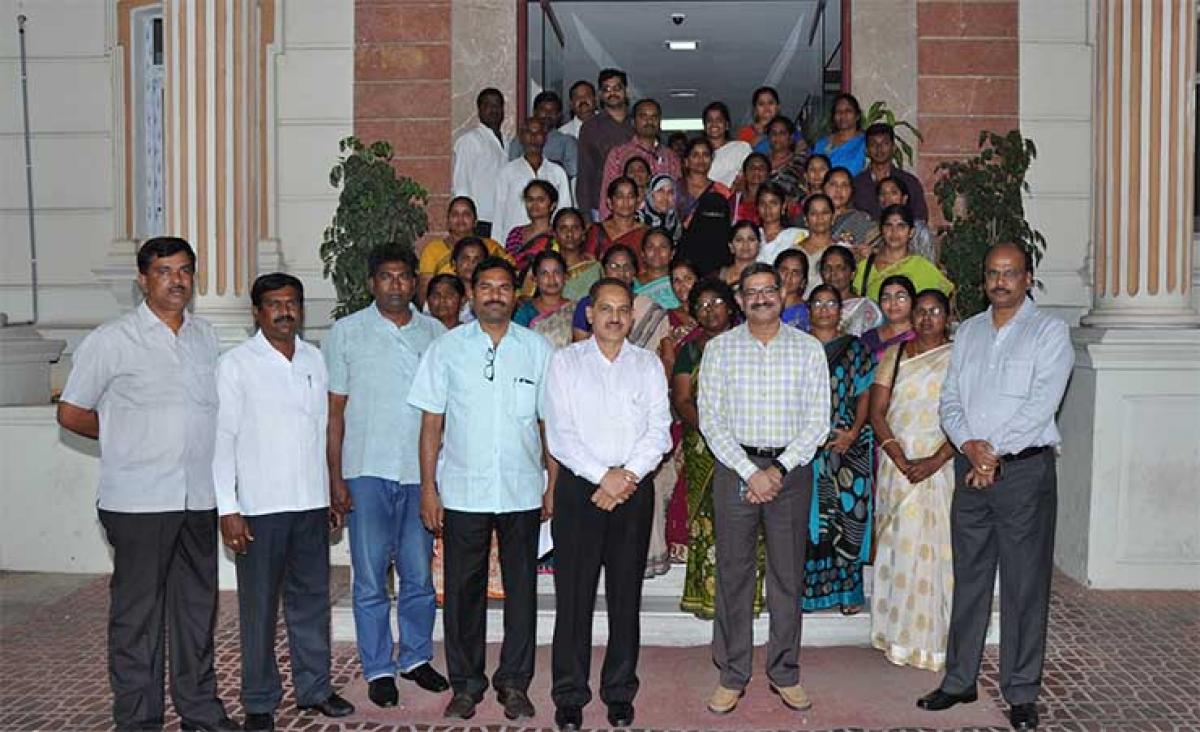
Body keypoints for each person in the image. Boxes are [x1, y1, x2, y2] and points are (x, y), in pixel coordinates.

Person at [57, 237, 237, 732]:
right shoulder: (111, 340)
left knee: (196, 614)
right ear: (143, 280)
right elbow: (72, 412)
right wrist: (122, 436)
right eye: (163, 271)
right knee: (137, 619)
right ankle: (138, 719)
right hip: (138, 502)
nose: (176, 280)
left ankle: (201, 711)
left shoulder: (204, 338)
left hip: (197, 498)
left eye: (184, 271)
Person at [918, 243, 1074, 732]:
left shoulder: (1049, 332)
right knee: (969, 578)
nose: (1000, 282)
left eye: (1010, 274)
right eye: (992, 274)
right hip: (971, 472)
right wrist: (970, 446)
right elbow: (949, 402)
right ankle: (960, 678)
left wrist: (992, 453)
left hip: (1023, 475)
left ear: (1028, 278)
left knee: (1025, 586)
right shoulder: (968, 332)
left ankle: (1022, 691)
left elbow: (1041, 404)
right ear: (983, 280)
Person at [408, 257, 556, 722]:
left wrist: (551, 483)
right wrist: (428, 489)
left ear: (517, 294)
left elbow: (549, 423)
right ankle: (466, 684)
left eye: (504, 287)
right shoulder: (447, 348)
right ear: (472, 294)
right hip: (463, 490)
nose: (495, 294)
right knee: (462, 592)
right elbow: (431, 423)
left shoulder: (537, 349)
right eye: (486, 287)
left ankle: (514, 683)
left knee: (521, 592)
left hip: (522, 490)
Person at [214, 274, 355, 729]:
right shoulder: (236, 364)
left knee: (311, 603)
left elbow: (323, 433)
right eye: (274, 304)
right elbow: (223, 439)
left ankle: (314, 689)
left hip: (310, 505)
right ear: (257, 312)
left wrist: (333, 487)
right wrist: (227, 508)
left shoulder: (314, 359)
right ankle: (258, 701)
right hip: (258, 508)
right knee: (258, 609)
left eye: (292, 303)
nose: (284, 311)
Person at [698, 263, 830, 715]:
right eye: (750, 292)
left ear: (784, 292)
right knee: (734, 576)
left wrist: (776, 469)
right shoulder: (719, 350)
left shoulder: (809, 350)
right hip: (735, 469)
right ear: (739, 300)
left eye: (768, 290)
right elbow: (710, 420)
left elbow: (818, 422)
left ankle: (785, 672)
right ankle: (732, 674)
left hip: (790, 471)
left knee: (787, 578)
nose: (760, 298)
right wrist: (748, 471)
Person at [544, 277, 673, 732]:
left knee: (625, 598)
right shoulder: (565, 363)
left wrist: (627, 476)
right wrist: (604, 477)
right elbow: (559, 433)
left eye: (622, 309)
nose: (614, 317)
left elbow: (660, 430)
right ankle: (569, 695)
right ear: (590, 314)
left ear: (632, 317)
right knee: (573, 599)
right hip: (581, 491)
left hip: (633, 489)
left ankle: (619, 693)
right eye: (605, 308)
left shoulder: (648, 365)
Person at [323, 247, 449, 708]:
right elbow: (334, 413)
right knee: (371, 577)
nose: (395, 284)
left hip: (420, 473)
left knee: (418, 575)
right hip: (365, 470)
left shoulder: (435, 333)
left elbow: (442, 413)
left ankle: (415, 658)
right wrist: (335, 479)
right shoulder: (346, 333)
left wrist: (438, 480)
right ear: (371, 283)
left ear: (414, 282)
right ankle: (378, 667)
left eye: (402, 277)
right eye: (385, 277)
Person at [869, 288, 955, 671]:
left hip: (941, 464)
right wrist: (899, 455)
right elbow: (877, 412)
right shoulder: (895, 354)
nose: (926, 318)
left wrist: (935, 460)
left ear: (948, 316)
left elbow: (969, 414)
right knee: (900, 545)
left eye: (935, 311)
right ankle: (896, 637)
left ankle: (931, 641)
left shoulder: (958, 358)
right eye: (920, 311)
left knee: (935, 550)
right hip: (897, 465)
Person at [674, 278, 763, 619]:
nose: (710, 310)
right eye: (702, 305)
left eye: (716, 303)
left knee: (748, 520)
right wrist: (714, 433)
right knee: (707, 521)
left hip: (748, 444)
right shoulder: (691, 350)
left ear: (732, 306)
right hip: (703, 445)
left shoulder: (750, 344)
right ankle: (706, 597)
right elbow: (682, 399)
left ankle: (747, 598)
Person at [800, 284, 875, 616]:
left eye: (832, 303)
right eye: (818, 303)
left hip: (848, 443)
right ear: (809, 309)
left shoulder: (855, 348)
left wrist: (854, 432)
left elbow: (864, 393)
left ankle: (848, 592)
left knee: (849, 514)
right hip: (804, 447)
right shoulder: (796, 347)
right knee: (812, 520)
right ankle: (812, 594)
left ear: (841, 310)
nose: (825, 309)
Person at [492, 117, 572, 252]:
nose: (533, 137)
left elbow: (564, 212)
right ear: (521, 137)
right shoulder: (507, 172)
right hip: (515, 245)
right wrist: (496, 250)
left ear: (545, 137)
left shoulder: (557, 172)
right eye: (529, 132)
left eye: (538, 132)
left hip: (550, 246)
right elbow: (499, 215)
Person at [417, 196, 510, 306]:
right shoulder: (433, 250)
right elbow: (425, 292)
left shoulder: (492, 248)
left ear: (475, 221)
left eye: (466, 214)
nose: (460, 219)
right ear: (448, 221)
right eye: (455, 215)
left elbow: (511, 278)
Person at [598, 98, 681, 219]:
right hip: (627, 226)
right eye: (643, 116)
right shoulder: (618, 155)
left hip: (663, 229)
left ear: (659, 122)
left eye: (654, 116)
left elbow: (677, 197)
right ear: (633, 122)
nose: (649, 120)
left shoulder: (671, 157)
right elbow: (608, 194)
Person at [853, 204, 953, 302]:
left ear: (911, 232)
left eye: (901, 226)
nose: (894, 232)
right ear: (881, 230)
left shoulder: (921, 267)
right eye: (888, 226)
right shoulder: (865, 266)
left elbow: (945, 298)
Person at [452, 88, 509, 236]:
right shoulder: (469, 141)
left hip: (503, 220)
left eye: (497, 105)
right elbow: (461, 184)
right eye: (488, 105)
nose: (494, 110)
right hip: (480, 221)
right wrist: (465, 221)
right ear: (479, 110)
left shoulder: (508, 143)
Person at [578, 69, 633, 217]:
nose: (612, 93)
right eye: (607, 89)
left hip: (638, 203)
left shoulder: (637, 122)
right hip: (601, 205)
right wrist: (585, 214)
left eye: (617, 88)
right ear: (600, 95)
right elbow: (584, 172)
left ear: (626, 91)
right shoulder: (590, 127)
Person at [676, 138, 734, 278]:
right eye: (695, 155)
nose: (700, 159)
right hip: (678, 256)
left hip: (712, 260)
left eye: (705, 154)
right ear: (686, 161)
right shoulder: (674, 188)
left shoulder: (722, 191)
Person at [852, 122, 927, 221]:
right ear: (866, 150)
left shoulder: (909, 182)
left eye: (885, 143)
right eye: (873, 144)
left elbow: (920, 218)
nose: (879, 148)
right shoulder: (856, 184)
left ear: (894, 148)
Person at [513, 249, 576, 348]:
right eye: (544, 273)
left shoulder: (576, 310)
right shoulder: (526, 312)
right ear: (535, 279)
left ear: (565, 277)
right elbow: (516, 345)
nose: (551, 278)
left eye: (557, 272)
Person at [508, 90, 579, 178]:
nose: (547, 115)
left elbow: (573, 171)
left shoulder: (567, 142)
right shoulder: (521, 140)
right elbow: (512, 170)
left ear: (559, 115)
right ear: (535, 112)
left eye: (553, 111)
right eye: (543, 110)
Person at [819, 245, 882, 336]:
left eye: (840, 268)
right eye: (827, 268)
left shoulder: (866, 307)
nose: (833, 273)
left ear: (852, 274)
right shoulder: (813, 306)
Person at [504, 179, 558, 281]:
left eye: (541, 200)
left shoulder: (557, 236)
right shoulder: (515, 233)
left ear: (552, 206)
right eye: (530, 200)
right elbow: (507, 266)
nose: (534, 204)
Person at [585, 176, 648, 258]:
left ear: (637, 202)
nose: (626, 201)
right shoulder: (597, 231)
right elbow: (588, 265)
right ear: (610, 202)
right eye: (620, 196)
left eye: (631, 196)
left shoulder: (645, 233)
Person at [877, 175, 936, 261]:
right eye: (882, 194)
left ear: (904, 199)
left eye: (893, 193)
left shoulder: (919, 230)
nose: (887, 198)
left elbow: (928, 264)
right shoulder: (874, 228)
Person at [861, 274, 917, 360]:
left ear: (913, 301)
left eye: (900, 298)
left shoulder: (919, 338)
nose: (893, 303)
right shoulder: (869, 337)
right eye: (886, 298)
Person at [825, 166, 879, 256]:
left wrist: (871, 251)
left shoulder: (860, 219)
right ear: (824, 188)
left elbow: (883, 247)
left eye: (844, 185)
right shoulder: (812, 217)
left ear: (851, 191)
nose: (839, 190)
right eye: (833, 184)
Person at [552, 207, 603, 301]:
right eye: (563, 228)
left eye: (575, 228)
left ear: (583, 234)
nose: (570, 233)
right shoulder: (545, 268)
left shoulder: (595, 269)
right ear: (555, 235)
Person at [813, 93, 866, 175]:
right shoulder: (822, 144)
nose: (842, 115)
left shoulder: (865, 142)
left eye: (848, 111)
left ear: (857, 116)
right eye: (838, 111)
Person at [754, 181, 806, 266]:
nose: (768, 208)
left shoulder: (796, 235)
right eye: (762, 203)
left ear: (783, 206)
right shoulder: (752, 235)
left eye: (773, 203)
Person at [703, 101, 752, 188]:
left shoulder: (741, 148)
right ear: (705, 126)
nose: (714, 124)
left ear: (727, 125)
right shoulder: (699, 154)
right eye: (709, 120)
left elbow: (749, 177)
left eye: (719, 120)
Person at [794, 193, 835, 295]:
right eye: (813, 213)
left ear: (833, 218)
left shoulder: (841, 250)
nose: (819, 218)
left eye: (825, 212)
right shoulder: (794, 253)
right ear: (805, 220)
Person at [634, 226, 680, 309]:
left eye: (663, 246)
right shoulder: (631, 284)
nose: (657, 252)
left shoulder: (680, 282)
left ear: (672, 253)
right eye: (650, 247)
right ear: (643, 254)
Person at [765, 115, 808, 201]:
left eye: (782, 133)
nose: (777, 137)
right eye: (773, 133)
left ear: (791, 137)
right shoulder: (760, 162)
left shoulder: (801, 161)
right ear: (768, 137)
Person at [637, 174, 681, 243]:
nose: (665, 197)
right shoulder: (638, 219)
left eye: (670, 192)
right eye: (660, 191)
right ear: (651, 194)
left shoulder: (675, 222)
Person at [719, 220, 762, 291]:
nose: (745, 245)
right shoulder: (719, 276)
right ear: (731, 246)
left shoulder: (767, 275)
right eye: (739, 240)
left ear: (759, 245)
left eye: (751, 239)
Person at [735, 86, 780, 153]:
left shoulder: (788, 128)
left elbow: (800, 146)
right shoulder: (745, 132)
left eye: (770, 103)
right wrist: (760, 137)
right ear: (755, 109)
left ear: (778, 107)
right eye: (761, 104)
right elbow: (739, 155)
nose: (766, 107)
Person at [775, 249, 810, 330]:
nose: (788, 277)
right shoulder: (762, 306)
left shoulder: (808, 313)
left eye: (795, 273)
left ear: (803, 282)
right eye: (784, 270)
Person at [732, 152, 770, 225]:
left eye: (761, 168)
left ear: (768, 173)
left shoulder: (776, 199)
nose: (756, 170)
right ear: (744, 173)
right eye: (752, 167)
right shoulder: (734, 200)